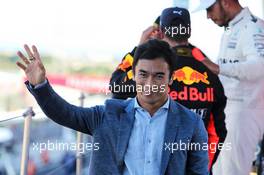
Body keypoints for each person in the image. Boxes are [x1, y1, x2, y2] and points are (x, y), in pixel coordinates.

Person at [16, 40, 208, 175]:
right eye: (143, 74)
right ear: (133, 74)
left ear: (171, 77)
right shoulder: (109, 114)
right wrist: (40, 86)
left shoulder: (191, 124)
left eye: (158, 76)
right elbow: (66, 114)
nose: (149, 83)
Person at [110, 7, 227, 173]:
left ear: (161, 32)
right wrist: (202, 167)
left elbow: (117, 86)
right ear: (189, 32)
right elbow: (218, 132)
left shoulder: (155, 69)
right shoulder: (209, 72)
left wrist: (140, 47)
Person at [193, 0, 264, 174]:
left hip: (244, 114)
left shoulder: (253, 27)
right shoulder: (232, 28)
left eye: (210, 9)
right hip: (227, 113)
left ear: (225, 2)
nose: (208, 16)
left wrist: (218, 68)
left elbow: (260, 66)